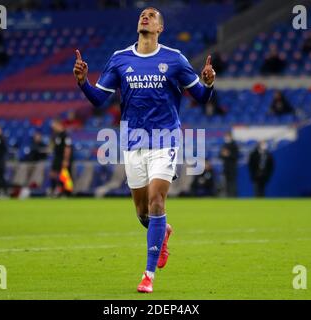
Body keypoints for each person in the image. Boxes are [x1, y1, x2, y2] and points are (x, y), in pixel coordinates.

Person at [73, 7, 215, 293]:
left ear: (160, 28)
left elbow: (200, 96)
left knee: (156, 202)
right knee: (142, 213)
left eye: (152, 15)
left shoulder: (174, 59)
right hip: (132, 142)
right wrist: (82, 83)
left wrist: (209, 83)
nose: (145, 16)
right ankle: (163, 233)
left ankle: (148, 275)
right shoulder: (120, 58)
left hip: (166, 139)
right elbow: (99, 99)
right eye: (142, 14)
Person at [49, 119, 73, 196]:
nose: (53, 127)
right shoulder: (56, 135)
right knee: (53, 174)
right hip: (57, 157)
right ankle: (54, 190)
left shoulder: (65, 135)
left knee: (65, 175)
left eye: (54, 125)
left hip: (62, 158)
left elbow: (67, 148)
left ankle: (67, 192)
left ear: (58, 125)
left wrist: (66, 160)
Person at [220, 132, 239, 197]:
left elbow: (236, 156)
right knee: (226, 183)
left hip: (232, 167)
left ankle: (233, 196)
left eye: (228, 136)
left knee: (232, 182)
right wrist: (223, 154)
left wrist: (228, 154)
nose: (227, 138)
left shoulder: (234, 145)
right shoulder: (224, 145)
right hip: (226, 167)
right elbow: (220, 155)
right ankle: (228, 195)